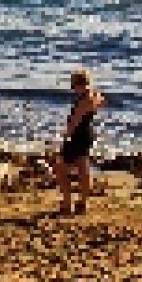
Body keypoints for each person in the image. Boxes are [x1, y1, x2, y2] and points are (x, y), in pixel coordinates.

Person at [53, 69, 106, 216]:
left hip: (77, 136)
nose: (73, 89)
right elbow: (102, 102)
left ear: (79, 84)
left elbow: (73, 122)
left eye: (73, 85)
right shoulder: (95, 95)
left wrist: (65, 137)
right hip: (87, 134)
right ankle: (83, 202)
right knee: (83, 168)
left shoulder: (84, 101)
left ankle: (67, 203)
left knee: (60, 169)